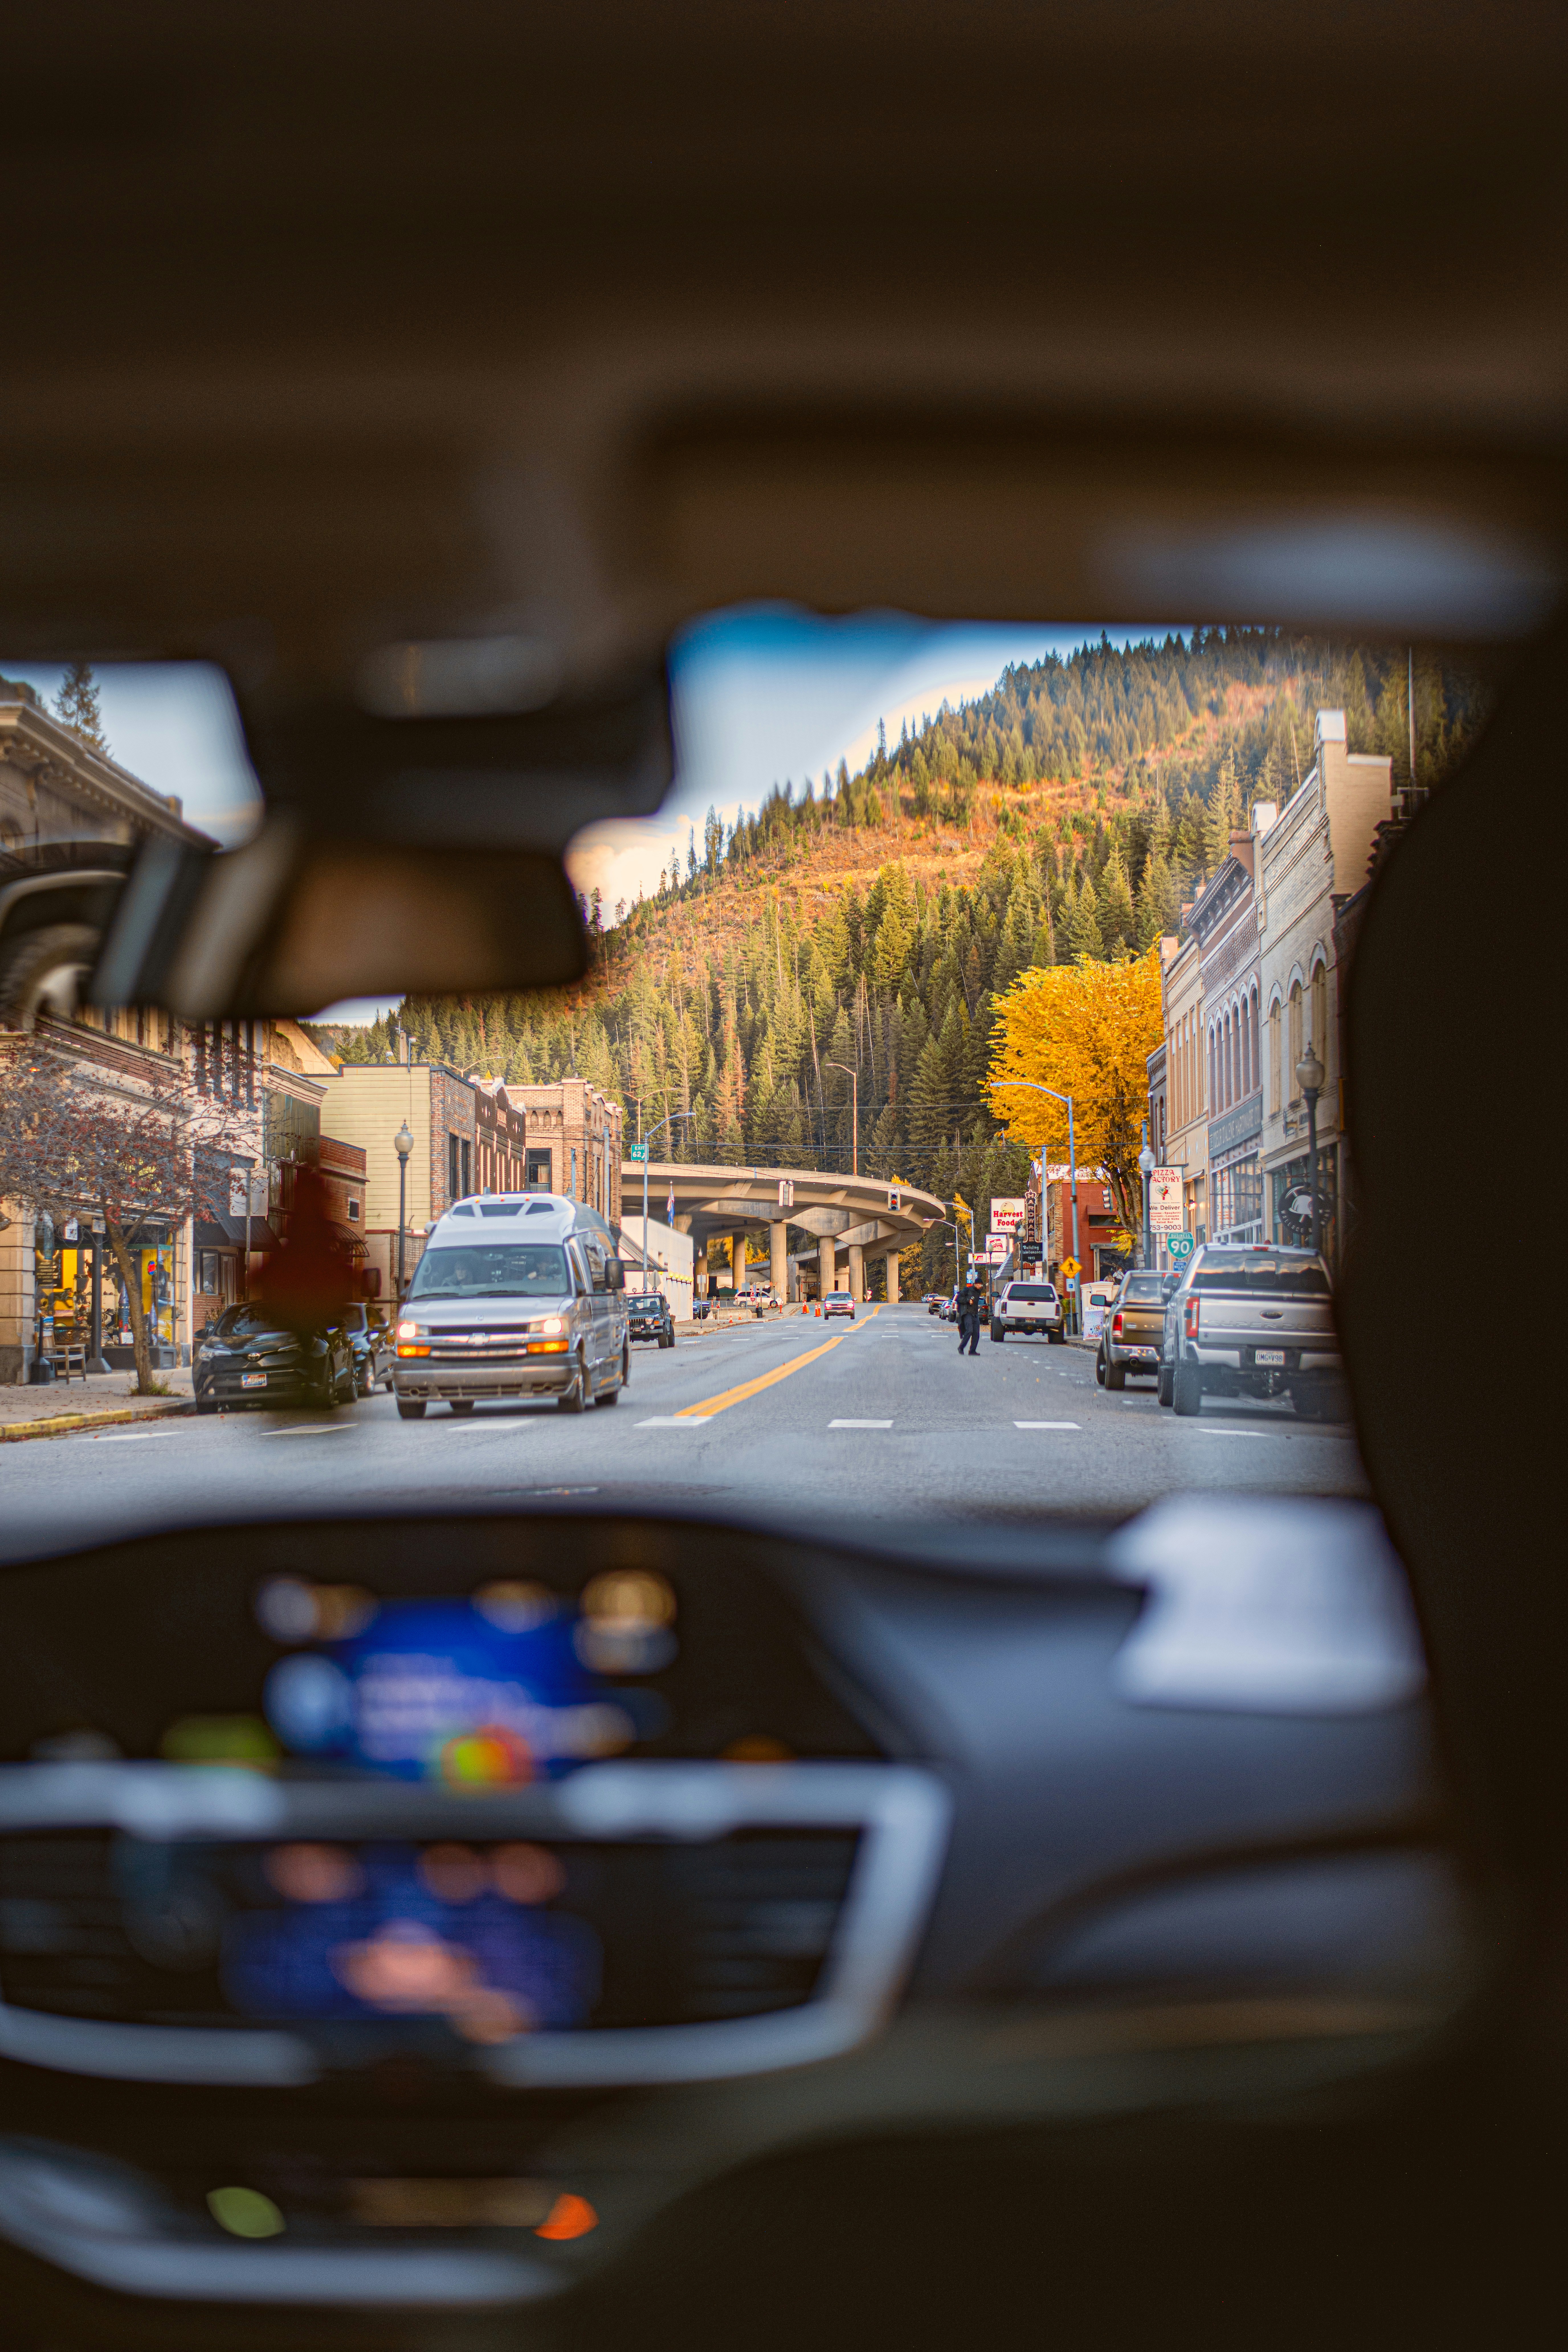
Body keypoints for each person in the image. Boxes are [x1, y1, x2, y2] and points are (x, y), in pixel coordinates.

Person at [956, 1275, 983, 1356]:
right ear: (975, 1284)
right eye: (979, 1284)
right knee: (970, 1331)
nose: (980, 1286)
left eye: (981, 1285)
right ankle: (961, 1348)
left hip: (975, 1315)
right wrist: (968, 1301)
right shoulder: (967, 1290)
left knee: (976, 1334)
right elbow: (959, 1299)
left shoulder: (979, 1292)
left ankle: (972, 1351)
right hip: (967, 1313)